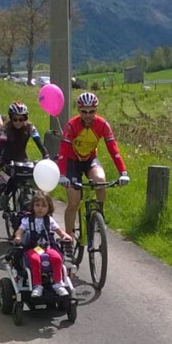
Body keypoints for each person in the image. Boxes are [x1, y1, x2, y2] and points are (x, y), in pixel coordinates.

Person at [57, 91, 129, 237]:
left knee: (100, 182)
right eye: (84, 111)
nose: (88, 115)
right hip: (72, 162)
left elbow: (113, 149)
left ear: (96, 110)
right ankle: (68, 237)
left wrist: (123, 172)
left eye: (92, 111)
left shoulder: (102, 125)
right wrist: (63, 175)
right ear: (79, 110)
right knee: (73, 202)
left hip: (90, 160)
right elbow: (63, 152)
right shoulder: (71, 126)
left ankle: (98, 214)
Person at [13, 192, 72, 298]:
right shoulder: (27, 220)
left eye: (44, 206)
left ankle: (58, 283)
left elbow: (60, 232)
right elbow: (19, 231)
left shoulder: (49, 220)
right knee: (35, 259)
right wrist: (18, 237)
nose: (40, 208)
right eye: (37, 205)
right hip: (33, 247)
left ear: (49, 208)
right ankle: (37, 285)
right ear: (33, 206)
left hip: (47, 247)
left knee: (57, 258)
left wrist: (65, 236)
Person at [0, 101, 49, 211]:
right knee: (14, 178)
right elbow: (2, 146)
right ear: (11, 119)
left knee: (27, 178)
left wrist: (46, 155)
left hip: (22, 158)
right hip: (8, 157)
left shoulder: (30, 128)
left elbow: (39, 143)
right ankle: (5, 196)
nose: (18, 122)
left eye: (21, 119)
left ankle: (27, 200)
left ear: (25, 118)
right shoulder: (5, 129)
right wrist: (0, 159)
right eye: (15, 119)